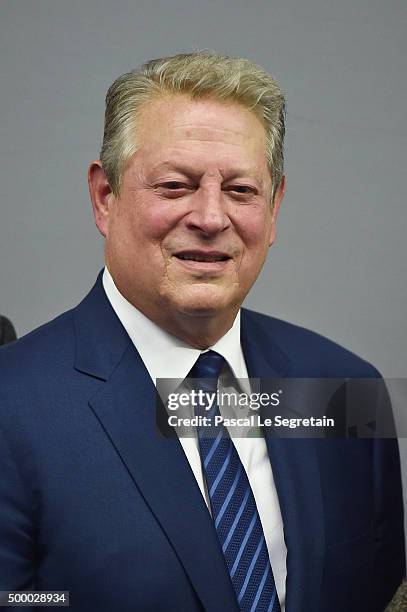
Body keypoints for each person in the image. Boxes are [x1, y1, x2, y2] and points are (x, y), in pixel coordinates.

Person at [0, 52, 404, 612]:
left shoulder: (345, 390)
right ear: (104, 197)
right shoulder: (11, 405)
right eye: (174, 185)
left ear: (275, 206)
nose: (211, 218)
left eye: (240, 190)